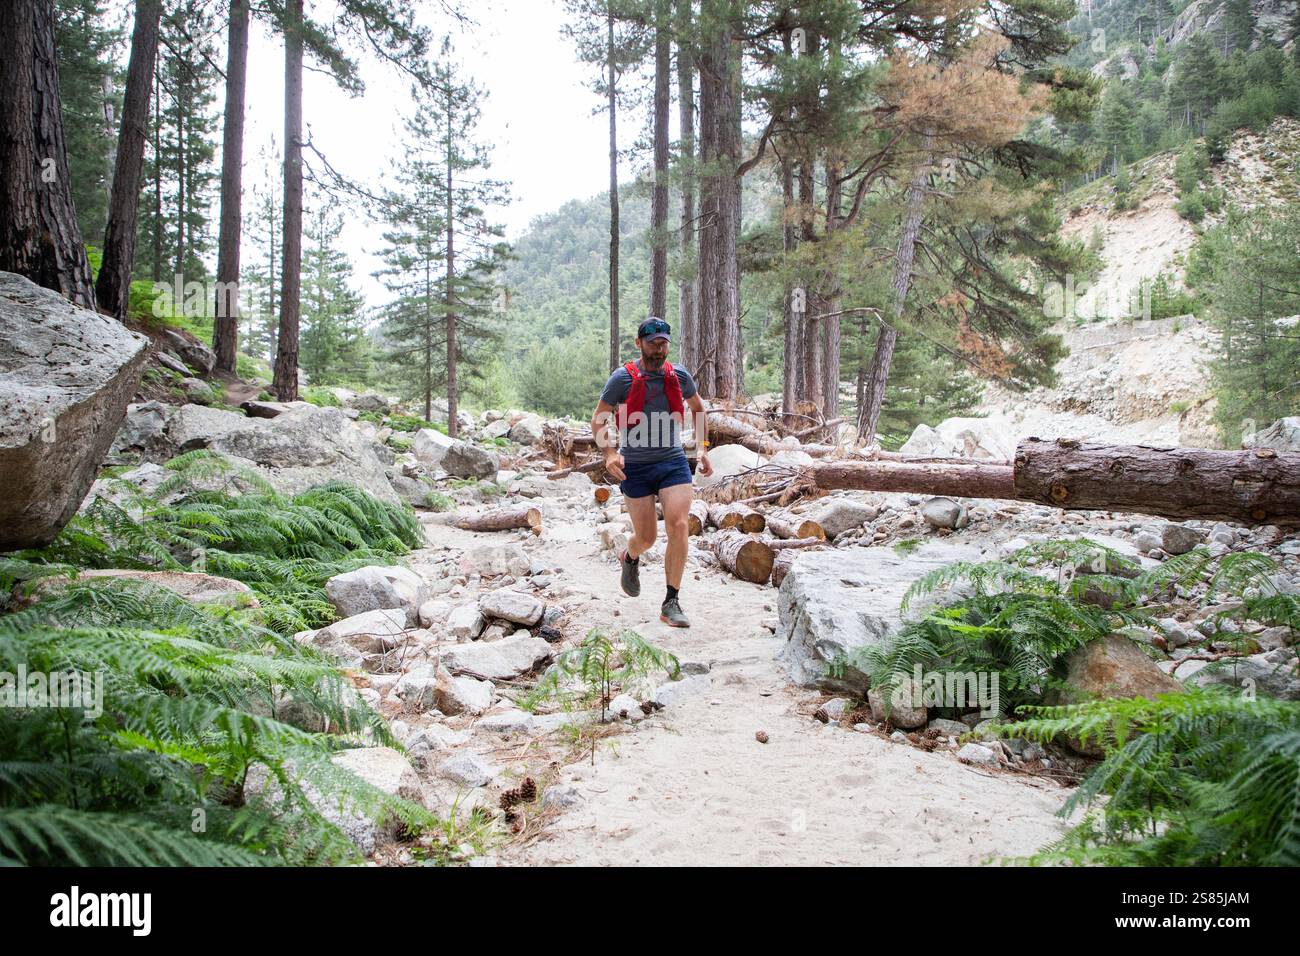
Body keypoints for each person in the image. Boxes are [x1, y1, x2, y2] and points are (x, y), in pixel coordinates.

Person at [590, 317, 712, 627]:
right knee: (646, 538)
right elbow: (599, 419)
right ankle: (630, 557)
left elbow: (698, 409)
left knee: (680, 524)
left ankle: (671, 600)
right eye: (653, 343)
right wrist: (609, 453)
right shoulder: (623, 379)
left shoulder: (679, 375)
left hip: (672, 462)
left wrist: (702, 447)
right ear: (639, 344)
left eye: (664, 343)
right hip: (636, 466)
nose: (659, 350)